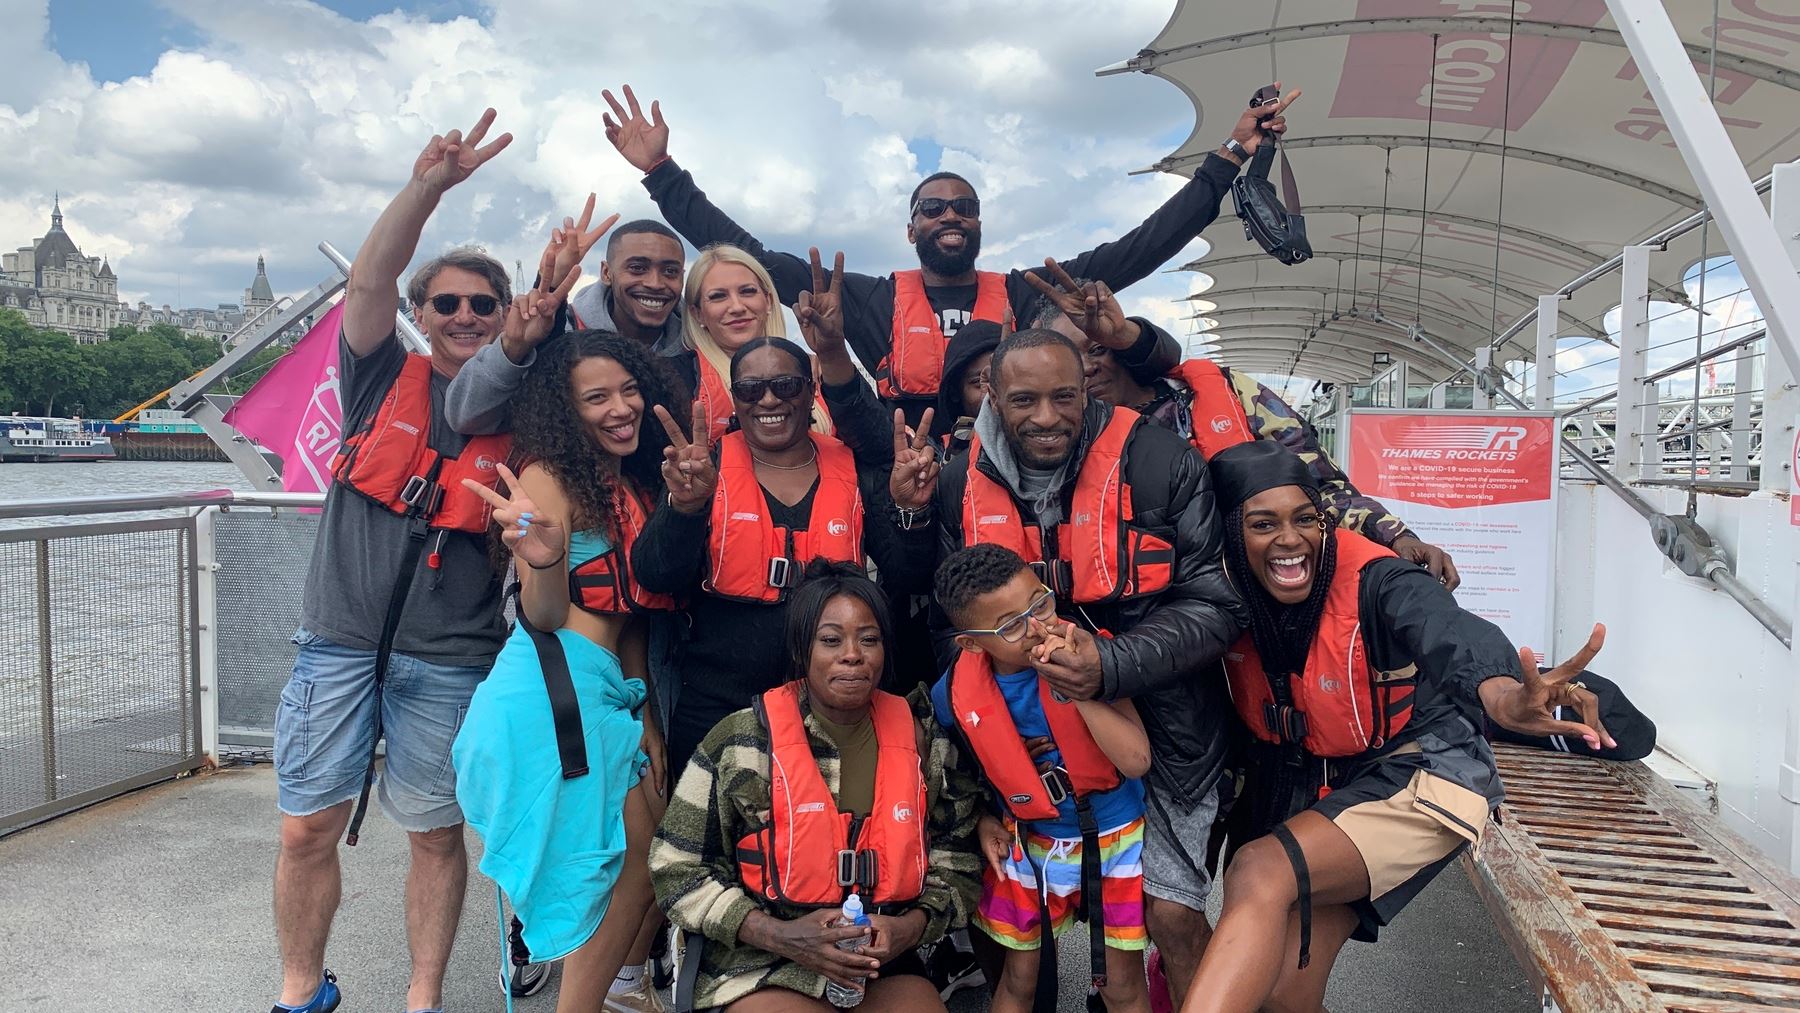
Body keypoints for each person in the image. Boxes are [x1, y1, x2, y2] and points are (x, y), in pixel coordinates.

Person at [881, 326, 1248, 1011]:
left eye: (1063, 396)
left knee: (1169, 916)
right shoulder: (960, 479)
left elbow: (1219, 603)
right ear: (992, 394)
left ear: (1087, 388)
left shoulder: (1160, 461)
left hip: (1162, 732)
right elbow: (940, 616)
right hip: (1025, 752)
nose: (1046, 417)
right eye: (1024, 399)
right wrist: (991, 781)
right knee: (1017, 949)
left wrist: (1105, 665)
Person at [1183, 439, 1614, 1013]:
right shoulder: (1218, 592)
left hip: (1421, 772)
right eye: (1264, 524)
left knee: (1259, 870)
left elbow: (1449, 630)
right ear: (1233, 536)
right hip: (1321, 787)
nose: (1290, 539)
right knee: (1287, 994)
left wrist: (1504, 697)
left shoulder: (1377, 579)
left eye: (1306, 518)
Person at [597, 85, 1300, 419]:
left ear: (980, 224)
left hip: (1006, 469)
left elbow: (1140, 249)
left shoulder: (1027, 294)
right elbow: (742, 252)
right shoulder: (868, 299)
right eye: (933, 208)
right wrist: (664, 177)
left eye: (965, 207)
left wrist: (1230, 157)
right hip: (906, 475)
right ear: (912, 229)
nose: (951, 216)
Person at [270, 108, 514, 1013]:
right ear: (420, 315)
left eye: (482, 305)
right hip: (338, 641)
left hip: (450, 656)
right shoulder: (376, 374)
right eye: (444, 302)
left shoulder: (521, 412)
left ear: (503, 317)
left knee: (436, 834)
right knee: (306, 827)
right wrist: (428, 187)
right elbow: (368, 278)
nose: (462, 315)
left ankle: (423, 998)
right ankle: (301, 990)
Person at [453, 321, 688, 1013]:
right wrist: (546, 556)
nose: (620, 408)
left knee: (642, 866)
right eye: (596, 398)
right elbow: (545, 613)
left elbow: (636, 610)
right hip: (551, 691)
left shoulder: (636, 482)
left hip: (609, 689)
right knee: (623, 867)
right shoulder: (546, 478)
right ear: (566, 409)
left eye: (629, 390)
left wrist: (644, 713)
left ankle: (599, 998)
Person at [650, 561, 982, 1012]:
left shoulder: (925, 739)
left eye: (869, 639)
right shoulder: (740, 742)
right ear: (801, 650)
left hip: (876, 965)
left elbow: (958, 861)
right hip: (757, 962)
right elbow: (676, 869)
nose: (853, 654)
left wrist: (912, 928)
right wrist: (779, 935)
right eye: (831, 640)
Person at [1024, 263, 1459, 589]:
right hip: (1150, 621)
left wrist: (1395, 536)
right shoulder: (1059, 437)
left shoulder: (1226, 394)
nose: (1085, 368)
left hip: (1259, 592)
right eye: (1067, 357)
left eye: (1097, 348)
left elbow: (1318, 486)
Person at [631, 336, 910, 777]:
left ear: (810, 388)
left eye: (785, 385)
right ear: (734, 395)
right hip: (719, 700)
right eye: (749, 389)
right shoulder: (703, 468)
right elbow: (654, 576)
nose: (767, 399)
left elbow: (906, 572)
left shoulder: (854, 470)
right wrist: (684, 508)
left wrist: (912, 512)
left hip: (839, 701)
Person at [930, 544, 1154, 1013]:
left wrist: (1079, 687)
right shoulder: (951, 697)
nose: (1037, 628)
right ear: (971, 643)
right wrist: (986, 817)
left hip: (1113, 837)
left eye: (1040, 604)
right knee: (1019, 981)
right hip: (1031, 843)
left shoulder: (1092, 653)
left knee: (1121, 986)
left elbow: (1136, 759)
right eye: (1011, 625)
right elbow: (964, 773)